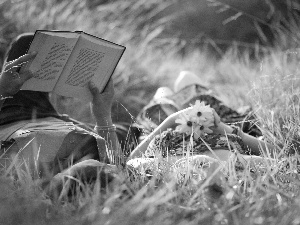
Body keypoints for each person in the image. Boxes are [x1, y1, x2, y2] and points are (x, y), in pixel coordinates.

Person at [0, 33, 121, 179]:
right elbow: (119, 169)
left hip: (11, 123)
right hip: (52, 121)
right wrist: (103, 115)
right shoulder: (97, 153)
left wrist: (2, 91)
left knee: (27, 44)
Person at [127, 71, 278, 180]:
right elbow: (283, 155)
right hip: (220, 125)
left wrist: (173, 119)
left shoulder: (163, 167)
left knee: (161, 97)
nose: (202, 164)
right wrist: (225, 129)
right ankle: (196, 94)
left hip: (162, 126)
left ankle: (176, 100)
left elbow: (130, 161)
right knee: (189, 81)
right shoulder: (240, 162)